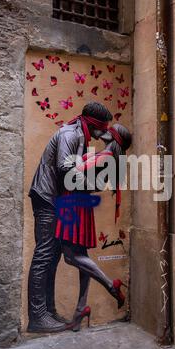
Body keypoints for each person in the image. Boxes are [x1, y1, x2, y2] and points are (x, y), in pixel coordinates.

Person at [27, 102, 113, 333]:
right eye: (99, 130)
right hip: (46, 197)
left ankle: (48, 311)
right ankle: (37, 316)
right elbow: (65, 169)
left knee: (52, 256)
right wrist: (92, 184)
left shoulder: (79, 135)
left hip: (53, 198)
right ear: (92, 124)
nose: (99, 135)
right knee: (44, 255)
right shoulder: (70, 134)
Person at [55, 124, 132, 331]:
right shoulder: (104, 155)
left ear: (114, 137)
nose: (105, 129)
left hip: (75, 203)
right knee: (82, 258)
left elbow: (74, 172)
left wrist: (79, 147)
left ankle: (111, 285)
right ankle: (81, 310)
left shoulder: (105, 157)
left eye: (111, 129)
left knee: (71, 257)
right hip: (78, 203)